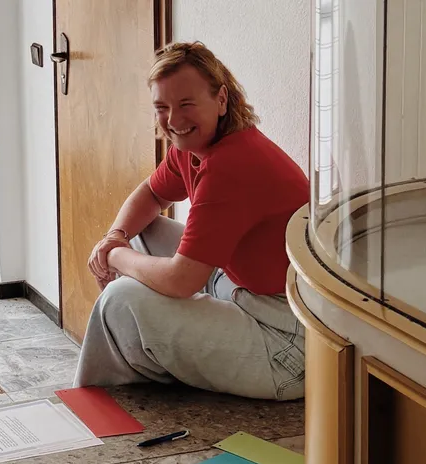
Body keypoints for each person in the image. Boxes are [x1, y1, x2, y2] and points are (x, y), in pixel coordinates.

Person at [74, 41, 309, 401]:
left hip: (286, 346)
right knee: (143, 230)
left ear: (221, 100)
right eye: (162, 108)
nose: (173, 121)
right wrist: (116, 236)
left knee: (121, 298)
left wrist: (114, 255)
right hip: (240, 289)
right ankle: (150, 360)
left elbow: (183, 281)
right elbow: (152, 195)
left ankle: (97, 407)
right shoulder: (196, 147)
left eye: (186, 105)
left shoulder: (231, 167)